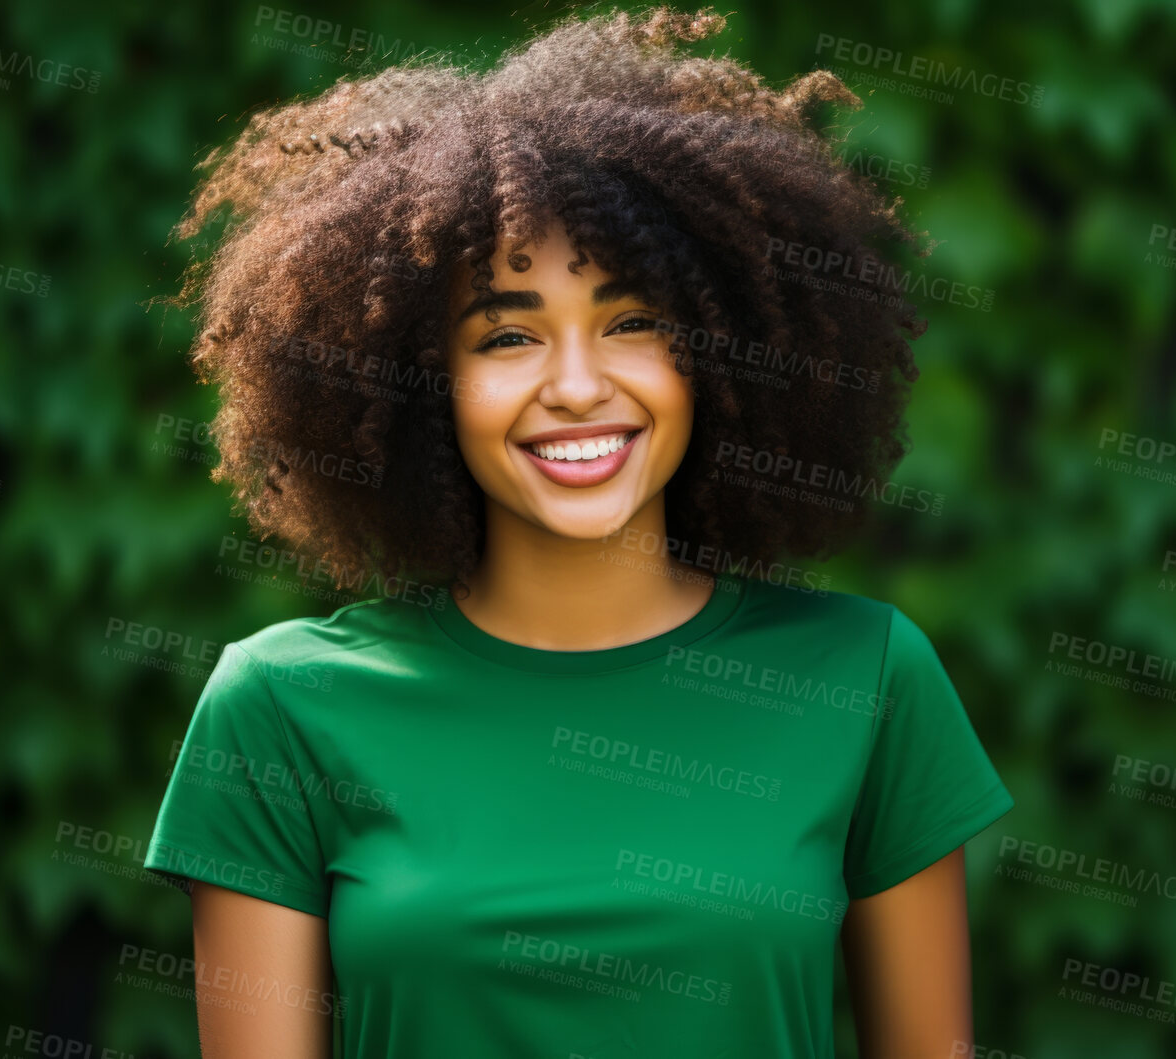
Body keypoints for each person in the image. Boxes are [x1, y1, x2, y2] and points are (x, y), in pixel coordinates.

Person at [143, 7, 1014, 1057]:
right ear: (418, 384)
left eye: (632, 323)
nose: (576, 387)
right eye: (506, 335)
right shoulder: (282, 709)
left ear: (720, 350)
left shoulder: (864, 677)